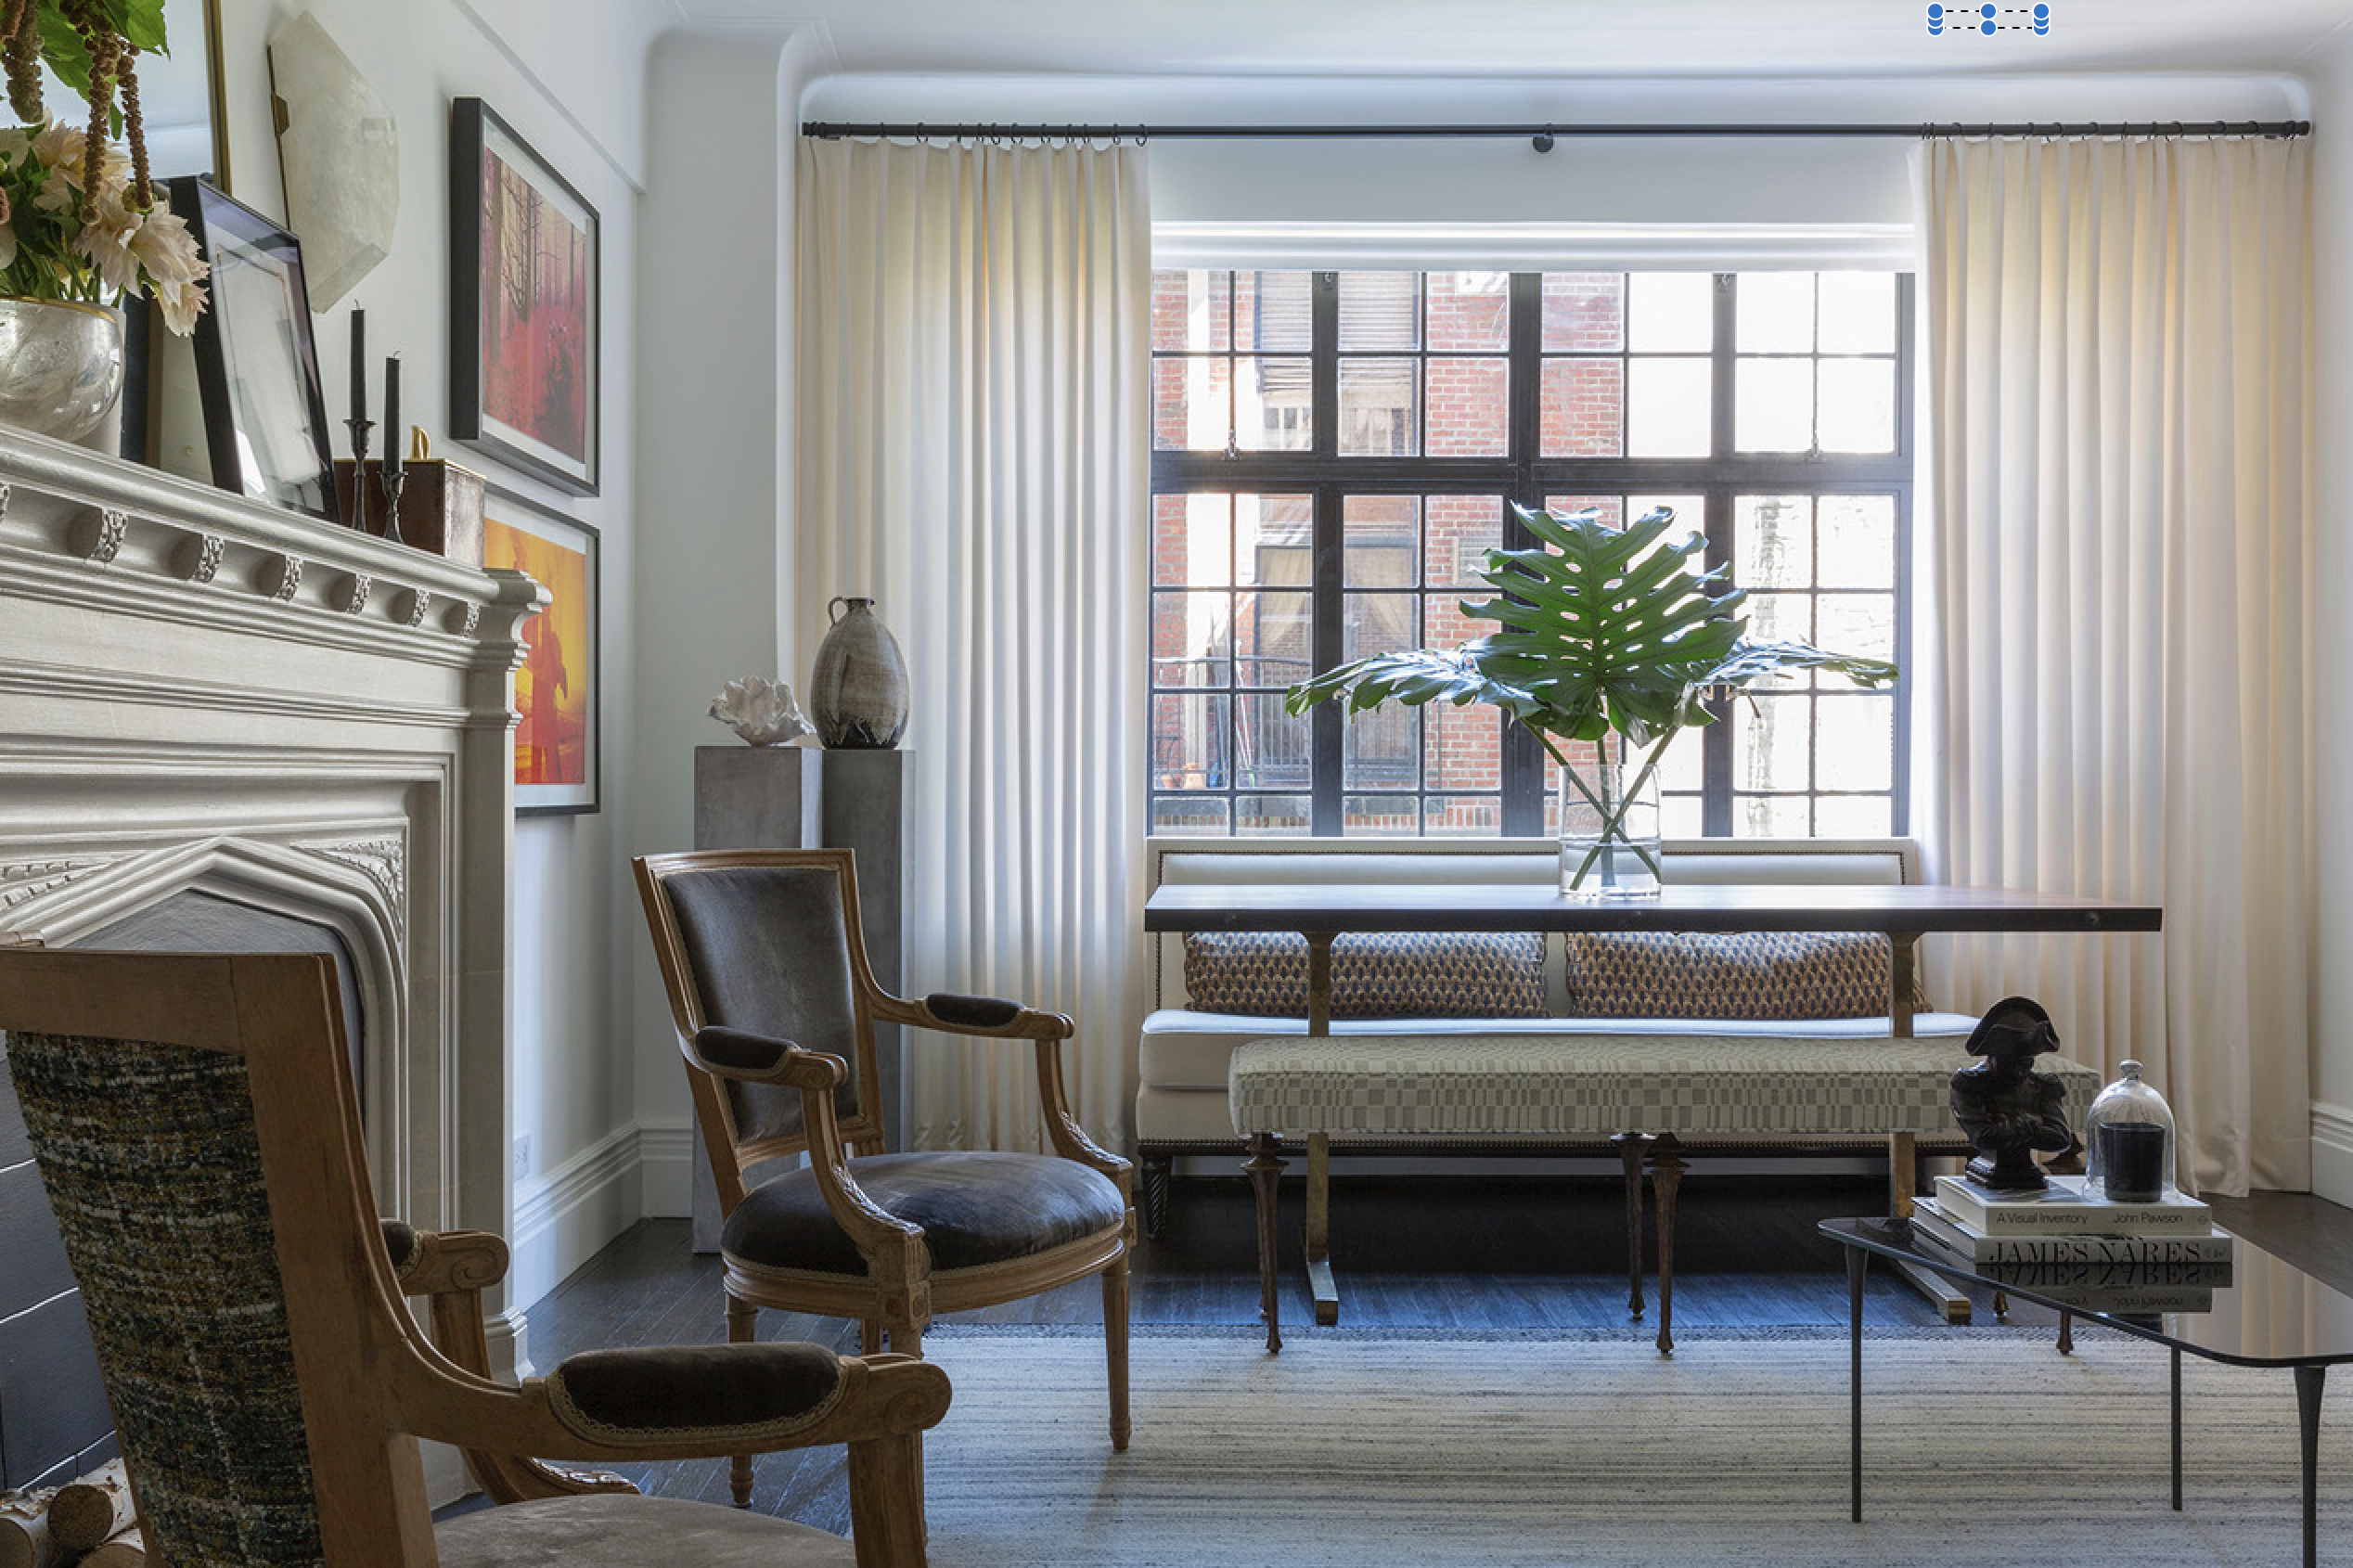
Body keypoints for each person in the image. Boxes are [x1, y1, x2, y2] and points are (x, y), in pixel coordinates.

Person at [1948, 995, 2080, 1190]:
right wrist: (2031, 1124)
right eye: (2010, 1064)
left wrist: (2010, 1127)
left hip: (2026, 1176)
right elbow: (1982, 1137)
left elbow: (2060, 1139)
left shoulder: (2043, 1085)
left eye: (2027, 1064)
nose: (2019, 1071)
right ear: (1992, 1058)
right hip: (1993, 1173)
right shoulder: (1969, 1085)